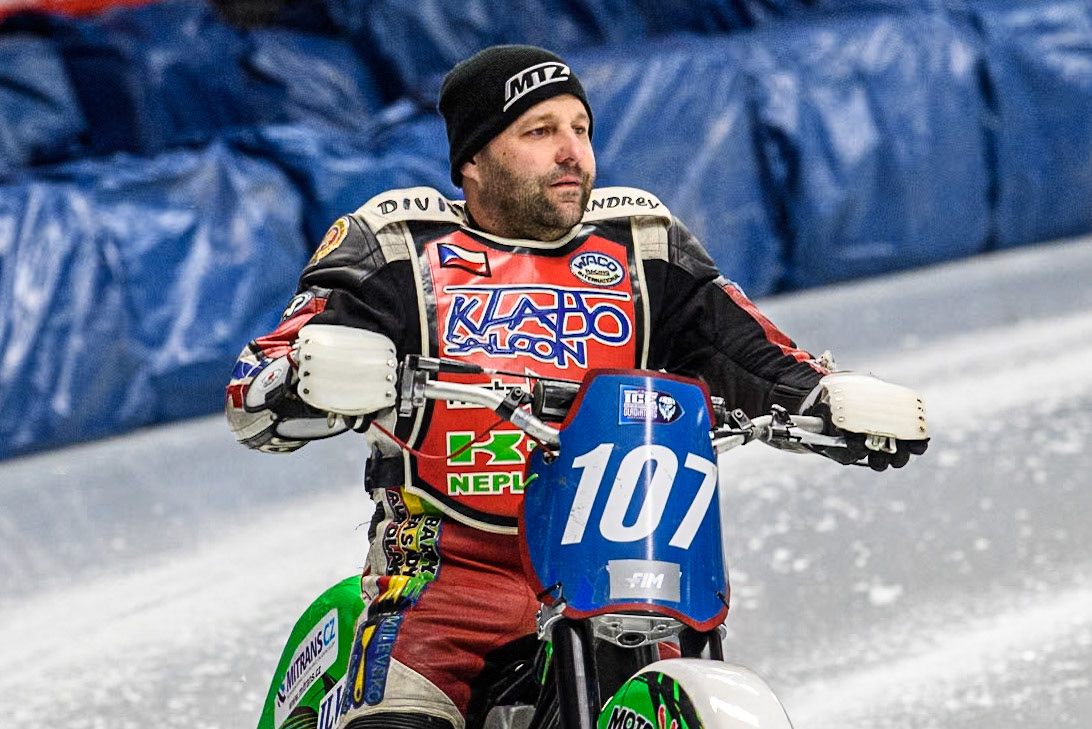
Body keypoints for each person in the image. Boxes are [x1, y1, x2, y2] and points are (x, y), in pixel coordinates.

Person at [226, 44, 928, 729]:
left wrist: (829, 400)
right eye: (539, 131)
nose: (572, 150)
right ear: (473, 159)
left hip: (627, 568)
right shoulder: (397, 246)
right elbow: (262, 377)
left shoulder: (642, 245)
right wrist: (303, 380)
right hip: (446, 584)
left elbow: (750, 352)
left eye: (581, 128)